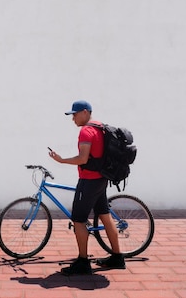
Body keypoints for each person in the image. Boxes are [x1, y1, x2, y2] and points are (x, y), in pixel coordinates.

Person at [48, 100, 126, 275]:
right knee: (105, 216)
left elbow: (83, 159)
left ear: (85, 112)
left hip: (89, 181)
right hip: (101, 179)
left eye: (74, 114)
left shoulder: (86, 131)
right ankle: (117, 257)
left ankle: (83, 262)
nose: (73, 118)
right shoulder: (100, 127)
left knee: (78, 219)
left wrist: (61, 160)